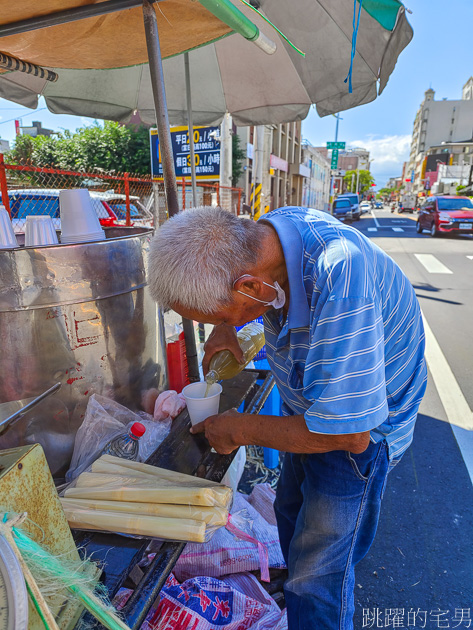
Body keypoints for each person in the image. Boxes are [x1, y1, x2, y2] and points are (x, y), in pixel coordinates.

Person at [147, 206, 427, 630]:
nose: (222, 325)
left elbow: (349, 434)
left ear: (249, 285)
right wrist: (229, 328)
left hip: (359, 431)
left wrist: (240, 429)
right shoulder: (267, 237)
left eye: (222, 317)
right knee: (291, 515)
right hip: (312, 409)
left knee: (319, 575)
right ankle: (298, 598)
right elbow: (259, 294)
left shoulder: (341, 277)